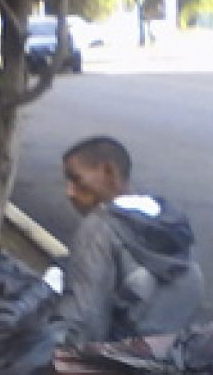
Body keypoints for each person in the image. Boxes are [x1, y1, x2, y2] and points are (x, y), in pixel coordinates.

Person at [55, 136, 204, 346]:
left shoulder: (98, 228)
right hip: (169, 359)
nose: (69, 192)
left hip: (118, 363)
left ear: (108, 172)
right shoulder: (167, 220)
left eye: (76, 179)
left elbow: (83, 322)